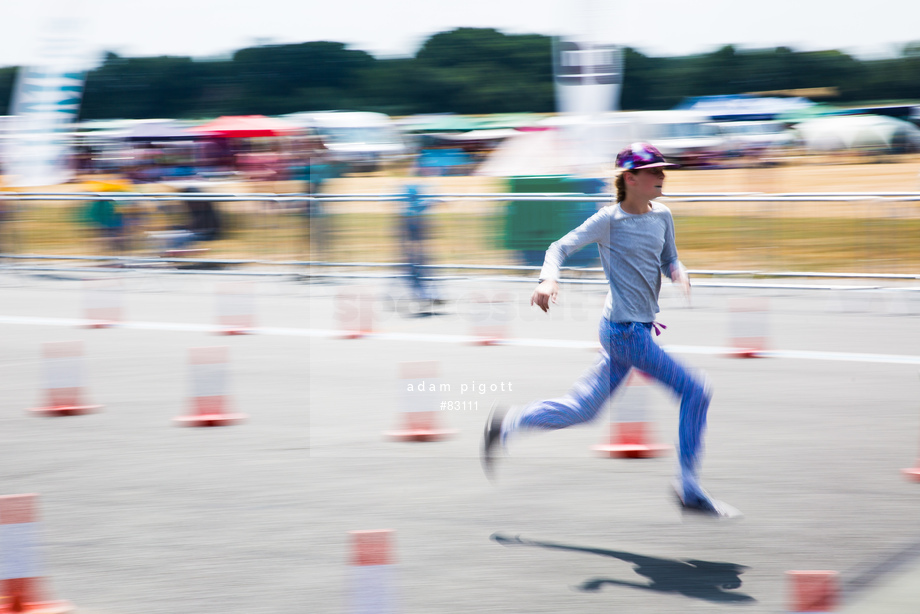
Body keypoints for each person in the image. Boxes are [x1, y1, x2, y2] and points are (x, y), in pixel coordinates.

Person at [481, 142, 740, 519]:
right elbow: (558, 247)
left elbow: (669, 256)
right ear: (630, 178)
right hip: (624, 334)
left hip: (632, 332)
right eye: (653, 171)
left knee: (584, 409)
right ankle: (688, 487)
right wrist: (547, 282)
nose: (662, 176)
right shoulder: (608, 221)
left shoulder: (663, 215)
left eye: (662, 170)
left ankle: (508, 424)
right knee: (697, 391)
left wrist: (678, 272)